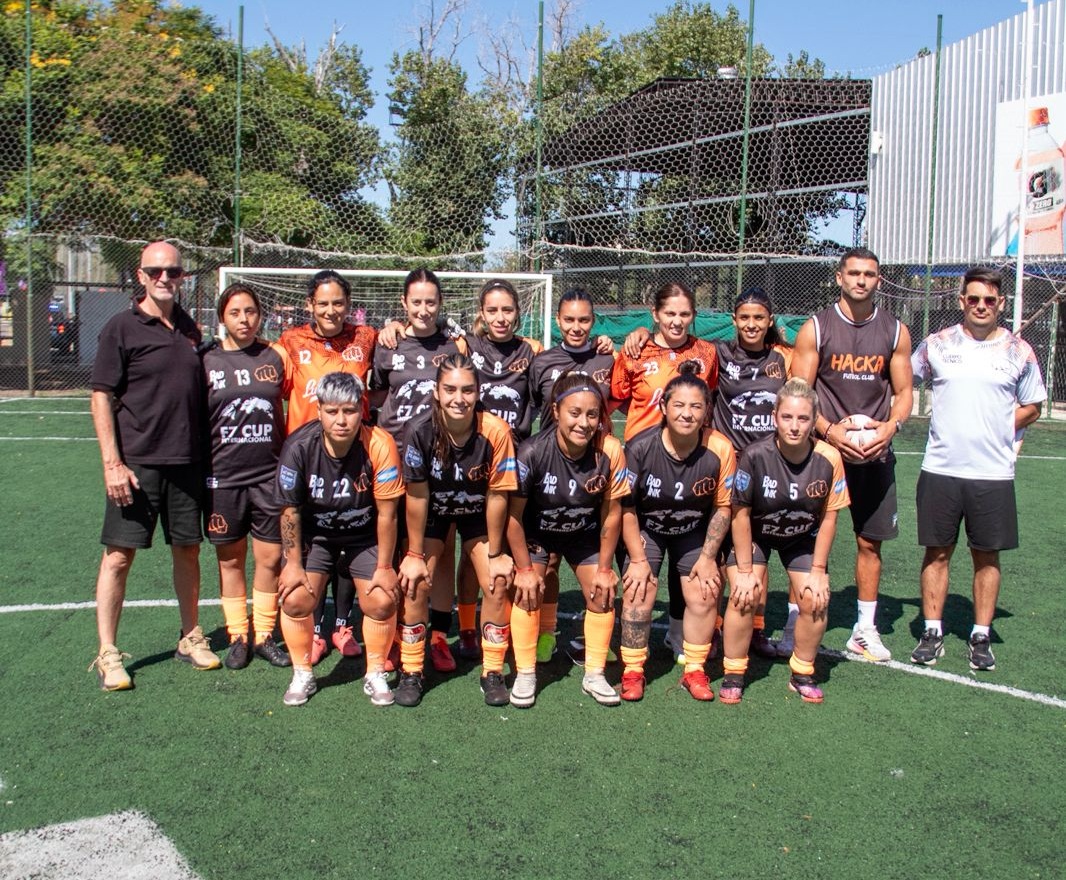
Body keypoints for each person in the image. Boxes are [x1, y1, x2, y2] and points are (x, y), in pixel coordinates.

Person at [88, 241, 219, 690]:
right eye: (156, 271)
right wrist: (112, 463)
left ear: (183, 277)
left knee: (188, 550)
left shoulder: (190, 329)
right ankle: (108, 652)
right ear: (140, 276)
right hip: (137, 465)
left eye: (173, 272)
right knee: (118, 557)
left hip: (186, 462)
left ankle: (190, 636)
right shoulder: (121, 327)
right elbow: (101, 395)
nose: (165, 278)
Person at [909, 268, 1046, 672]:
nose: (981, 306)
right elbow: (902, 380)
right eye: (973, 299)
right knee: (937, 552)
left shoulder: (1019, 351)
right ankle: (931, 631)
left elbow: (1033, 406)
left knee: (986, 556)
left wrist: (1000, 427)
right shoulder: (936, 345)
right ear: (961, 301)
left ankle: (981, 635)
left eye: (989, 300)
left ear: (1001, 303)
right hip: (940, 468)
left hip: (993, 474)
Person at [792, 247, 912, 662]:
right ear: (839, 278)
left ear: (879, 280)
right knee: (804, 539)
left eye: (870, 274)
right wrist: (829, 431)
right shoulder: (816, 328)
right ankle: (794, 623)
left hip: (874, 453)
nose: (862, 280)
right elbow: (799, 394)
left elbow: (904, 393)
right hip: (823, 451)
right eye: (855, 273)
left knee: (870, 542)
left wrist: (890, 427)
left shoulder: (895, 331)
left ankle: (864, 629)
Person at [274, 372, 404, 707]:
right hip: (317, 536)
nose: (341, 420)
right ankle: (302, 673)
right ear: (319, 411)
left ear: (362, 409)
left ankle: (375, 672)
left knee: (382, 599)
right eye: (332, 411)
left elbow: (388, 514)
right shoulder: (298, 446)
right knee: (295, 598)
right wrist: (292, 564)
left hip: (364, 535)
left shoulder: (380, 444)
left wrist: (385, 567)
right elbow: (289, 512)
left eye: (349, 411)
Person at [396, 354, 517, 706]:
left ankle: (491, 671)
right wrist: (414, 555)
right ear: (436, 392)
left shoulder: (496, 431)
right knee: (415, 581)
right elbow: (417, 496)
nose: (458, 398)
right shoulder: (418, 430)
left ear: (478, 392)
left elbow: (497, 495)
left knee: (497, 581)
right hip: (434, 511)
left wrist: (496, 554)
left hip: (478, 512)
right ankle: (411, 670)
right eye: (449, 389)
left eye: (467, 390)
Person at [506, 373, 632, 708]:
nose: (583, 423)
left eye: (592, 414)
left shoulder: (610, 450)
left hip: (583, 532)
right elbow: (513, 517)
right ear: (556, 411)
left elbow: (611, 514)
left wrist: (604, 568)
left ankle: (594, 674)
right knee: (528, 589)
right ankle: (525, 673)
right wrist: (524, 569)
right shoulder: (532, 452)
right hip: (537, 533)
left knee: (603, 591)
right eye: (574, 413)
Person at [721, 378, 849, 704]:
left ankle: (802, 673)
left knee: (816, 599)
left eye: (803, 418)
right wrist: (745, 571)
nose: (794, 426)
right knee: (744, 595)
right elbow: (739, 515)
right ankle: (734, 672)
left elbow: (830, 518)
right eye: (787, 417)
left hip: (801, 536)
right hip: (757, 533)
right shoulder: (754, 455)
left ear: (814, 420)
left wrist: (818, 571)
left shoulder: (829, 458)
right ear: (774, 417)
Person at [614, 281, 719, 662]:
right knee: (638, 553)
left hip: (689, 465)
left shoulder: (707, 353)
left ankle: (676, 633)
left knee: (684, 549)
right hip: (642, 464)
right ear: (655, 314)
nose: (677, 320)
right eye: (669, 313)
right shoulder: (635, 350)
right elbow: (617, 399)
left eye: (684, 313)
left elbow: (708, 398)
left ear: (694, 315)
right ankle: (628, 641)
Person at [618, 362, 735, 701]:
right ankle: (633, 671)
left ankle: (694, 670)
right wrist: (638, 559)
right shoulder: (639, 447)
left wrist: (709, 558)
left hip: (693, 528)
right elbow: (625, 508)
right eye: (679, 405)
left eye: (696, 406)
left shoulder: (720, 448)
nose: (687, 413)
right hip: (647, 528)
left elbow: (723, 507)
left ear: (706, 410)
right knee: (638, 590)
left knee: (705, 589)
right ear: (663, 407)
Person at [370, 268, 468, 673]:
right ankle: (398, 633)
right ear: (404, 303)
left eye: (431, 302)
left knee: (441, 553)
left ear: (440, 304)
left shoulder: (453, 345)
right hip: (395, 460)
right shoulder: (388, 344)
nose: (424, 309)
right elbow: (376, 396)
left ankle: (439, 636)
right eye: (416, 302)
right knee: (395, 549)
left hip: (439, 461)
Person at [278, 269, 377, 665]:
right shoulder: (290, 342)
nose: (331, 310)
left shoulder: (366, 337)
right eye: (323, 303)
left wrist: (395, 330)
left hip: (353, 457)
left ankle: (343, 625)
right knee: (313, 545)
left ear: (348, 305)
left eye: (338, 303)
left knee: (350, 538)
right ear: (310, 305)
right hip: (307, 460)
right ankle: (316, 629)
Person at [202, 283, 292, 670]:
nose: (244, 319)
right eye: (235, 312)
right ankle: (238, 634)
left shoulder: (276, 354)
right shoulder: (206, 359)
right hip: (223, 477)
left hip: (268, 475)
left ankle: (264, 634)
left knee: (269, 557)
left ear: (260, 314)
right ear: (223, 317)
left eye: (250, 311)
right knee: (230, 560)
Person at [527, 288, 619, 662]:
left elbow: (623, 400)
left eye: (584, 320)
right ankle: (546, 634)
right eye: (569, 319)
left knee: (597, 554)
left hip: (593, 471)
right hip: (551, 471)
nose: (576, 327)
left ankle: (591, 640)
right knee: (546, 562)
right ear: (558, 320)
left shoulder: (607, 358)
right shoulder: (542, 362)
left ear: (593, 321)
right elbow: (531, 412)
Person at [711, 288, 794, 659]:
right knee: (718, 549)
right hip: (729, 466)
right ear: (734, 320)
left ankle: (756, 628)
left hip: (769, 466)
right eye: (744, 317)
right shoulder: (719, 353)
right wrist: (639, 334)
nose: (751, 324)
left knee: (758, 550)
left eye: (758, 317)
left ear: (769, 320)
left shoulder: (784, 357)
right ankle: (714, 626)